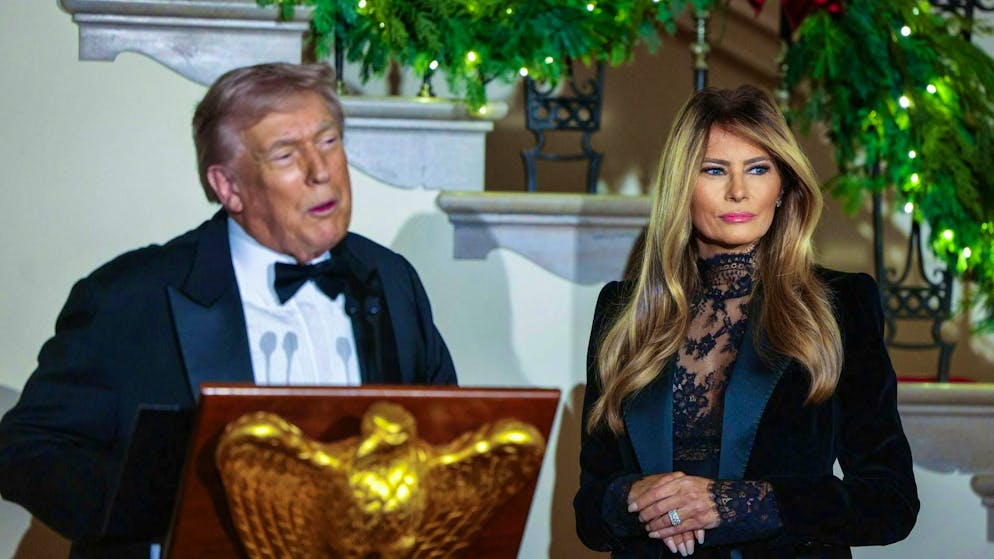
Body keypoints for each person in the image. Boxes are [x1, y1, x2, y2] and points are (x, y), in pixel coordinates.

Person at [0, 62, 456, 558]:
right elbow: (25, 449)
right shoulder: (131, 297)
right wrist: (157, 504)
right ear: (228, 187)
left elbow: (442, 445)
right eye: (285, 154)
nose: (320, 171)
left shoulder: (392, 280)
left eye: (328, 142)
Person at [574, 85, 918, 558]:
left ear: (783, 187)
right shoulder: (623, 311)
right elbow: (590, 511)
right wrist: (631, 498)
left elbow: (890, 501)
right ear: (681, 188)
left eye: (758, 169)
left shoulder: (840, 303)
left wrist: (737, 505)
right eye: (714, 170)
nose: (739, 191)